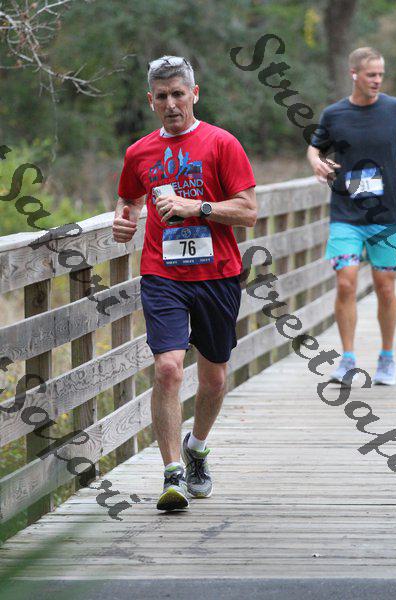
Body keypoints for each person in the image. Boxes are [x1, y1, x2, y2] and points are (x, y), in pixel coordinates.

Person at [112, 56, 257, 511]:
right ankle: (172, 472)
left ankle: (197, 449)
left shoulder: (222, 143)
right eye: (162, 96)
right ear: (150, 101)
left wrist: (198, 207)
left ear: (194, 94)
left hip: (218, 273)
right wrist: (124, 220)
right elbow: (129, 198)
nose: (171, 104)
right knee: (168, 369)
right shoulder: (138, 152)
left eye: (179, 94)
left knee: (213, 379)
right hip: (163, 273)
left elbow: (249, 212)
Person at [307, 47, 396, 387]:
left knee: (385, 286)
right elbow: (315, 147)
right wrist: (316, 162)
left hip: (386, 215)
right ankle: (347, 360)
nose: (377, 80)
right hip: (346, 213)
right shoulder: (335, 114)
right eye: (371, 74)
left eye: (380, 74)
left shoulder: (394, 109)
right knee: (346, 281)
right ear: (354, 74)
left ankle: (387, 357)